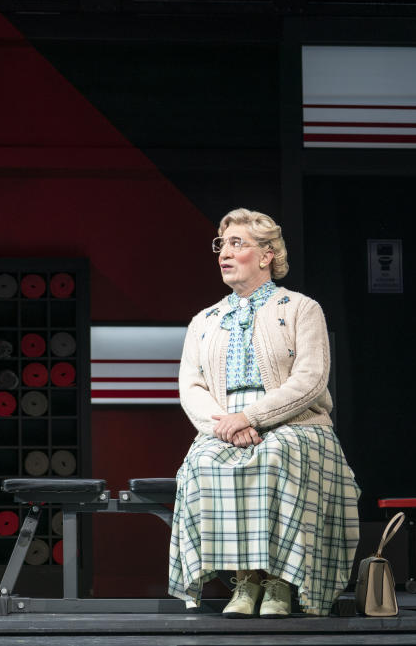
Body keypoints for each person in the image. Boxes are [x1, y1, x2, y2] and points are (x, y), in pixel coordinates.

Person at [168, 208, 360, 618]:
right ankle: (245, 580)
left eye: (238, 243)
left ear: (267, 254)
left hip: (294, 421)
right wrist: (225, 426)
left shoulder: (301, 308)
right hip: (223, 427)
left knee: (276, 456)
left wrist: (251, 417)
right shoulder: (204, 321)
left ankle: (278, 582)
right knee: (202, 463)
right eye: (222, 244)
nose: (225, 252)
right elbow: (192, 387)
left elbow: (309, 380)